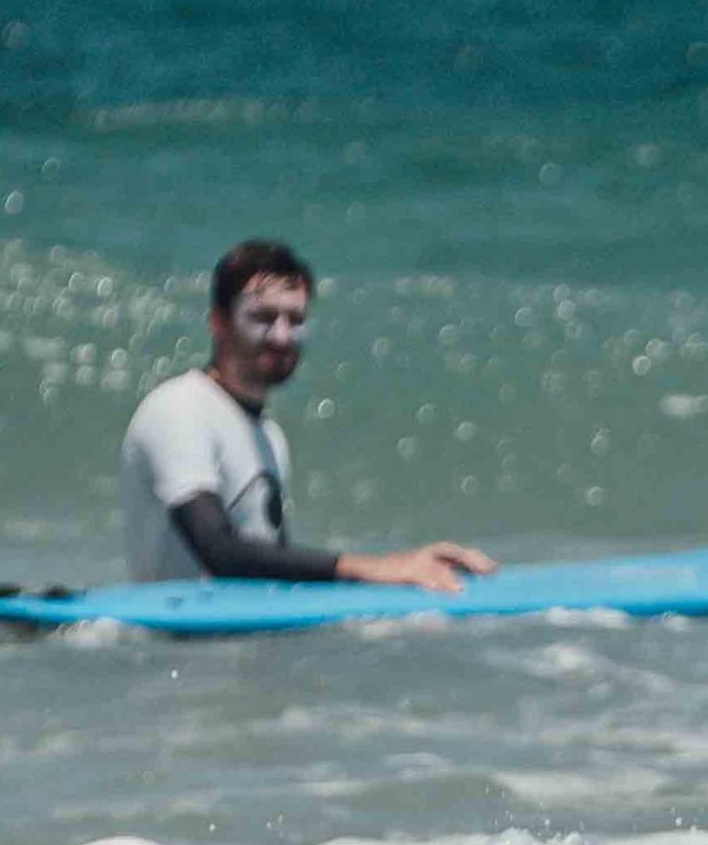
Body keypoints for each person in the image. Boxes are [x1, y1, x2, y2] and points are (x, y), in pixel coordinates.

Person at [119, 239, 493, 592]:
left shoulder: (268, 436)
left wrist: (408, 570)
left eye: (295, 319)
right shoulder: (179, 410)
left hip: (246, 639)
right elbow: (217, 550)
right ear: (219, 322)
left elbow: (271, 568)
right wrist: (372, 568)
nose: (282, 336)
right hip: (170, 640)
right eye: (263, 317)